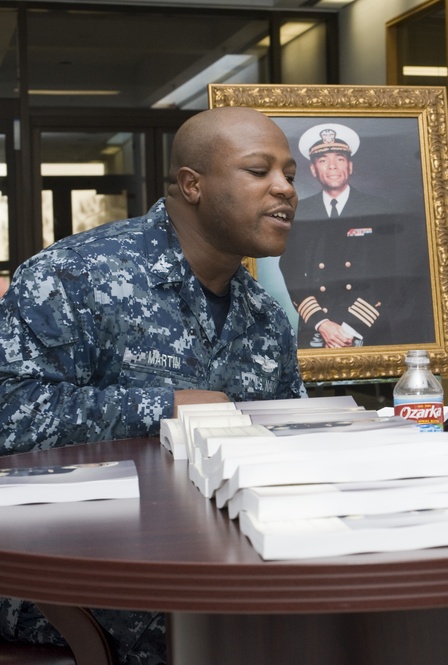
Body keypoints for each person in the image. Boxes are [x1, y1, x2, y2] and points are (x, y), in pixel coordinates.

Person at [0, 105, 307, 665]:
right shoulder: (75, 275)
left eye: (290, 174)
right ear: (193, 184)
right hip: (83, 580)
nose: (284, 189)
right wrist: (164, 406)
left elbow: (283, 438)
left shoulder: (264, 316)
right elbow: (11, 413)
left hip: (225, 571)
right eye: (259, 171)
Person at [280, 121, 435, 349]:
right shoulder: (299, 212)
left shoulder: (379, 210)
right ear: (313, 170)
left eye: (339, 159)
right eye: (323, 160)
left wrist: (349, 329)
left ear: (350, 166)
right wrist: (322, 323)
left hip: (367, 328)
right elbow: (291, 269)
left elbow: (391, 273)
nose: (332, 166)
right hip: (315, 329)